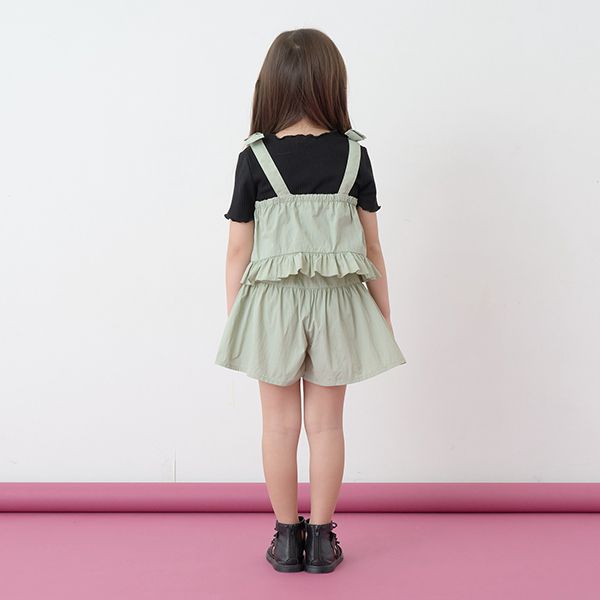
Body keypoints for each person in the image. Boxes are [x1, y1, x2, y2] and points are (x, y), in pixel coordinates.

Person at [214, 28, 407, 574]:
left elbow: (237, 251)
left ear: (271, 85)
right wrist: (383, 313)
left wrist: (238, 317)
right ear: (331, 82)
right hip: (337, 305)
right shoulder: (354, 155)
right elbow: (372, 247)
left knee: (278, 427)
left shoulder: (254, 158)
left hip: (271, 306)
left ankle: (285, 540)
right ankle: (321, 542)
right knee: (327, 427)